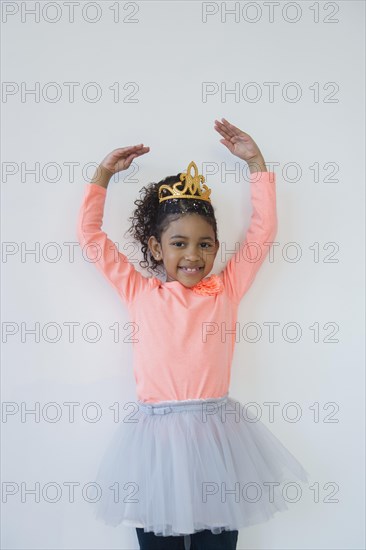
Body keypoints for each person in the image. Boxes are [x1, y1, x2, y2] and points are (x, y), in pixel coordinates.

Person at [76, 118, 309, 550]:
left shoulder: (226, 289)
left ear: (217, 248)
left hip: (217, 442)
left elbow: (264, 232)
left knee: (217, 542)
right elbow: (90, 238)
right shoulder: (139, 292)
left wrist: (256, 163)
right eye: (179, 243)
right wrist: (103, 175)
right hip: (157, 447)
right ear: (154, 247)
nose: (193, 254)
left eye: (205, 244)